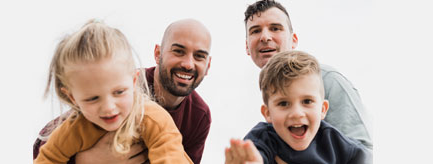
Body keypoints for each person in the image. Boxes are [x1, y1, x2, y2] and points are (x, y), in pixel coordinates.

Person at [33, 19, 212, 164]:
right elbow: (44, 149)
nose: (109, 107)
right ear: (158, 54)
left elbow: (171, 156)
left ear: (208, 65)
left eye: (199, 56)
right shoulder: (112, 81)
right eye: (178, 51)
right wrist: (89, 160)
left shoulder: (195, 116)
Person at [243, 0, 372, 149]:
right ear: (247, 46)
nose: (265, 37)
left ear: (294, 40)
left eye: (275, 28)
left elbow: (363, 153)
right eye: (255, 31)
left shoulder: (328, 80)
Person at [225, 51, 372, 164]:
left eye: (307, 101)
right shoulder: (264, 139)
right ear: (267, 113)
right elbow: (255, 156)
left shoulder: (336, 143)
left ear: (322, 109)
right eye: (283, 103)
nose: (296, 113)